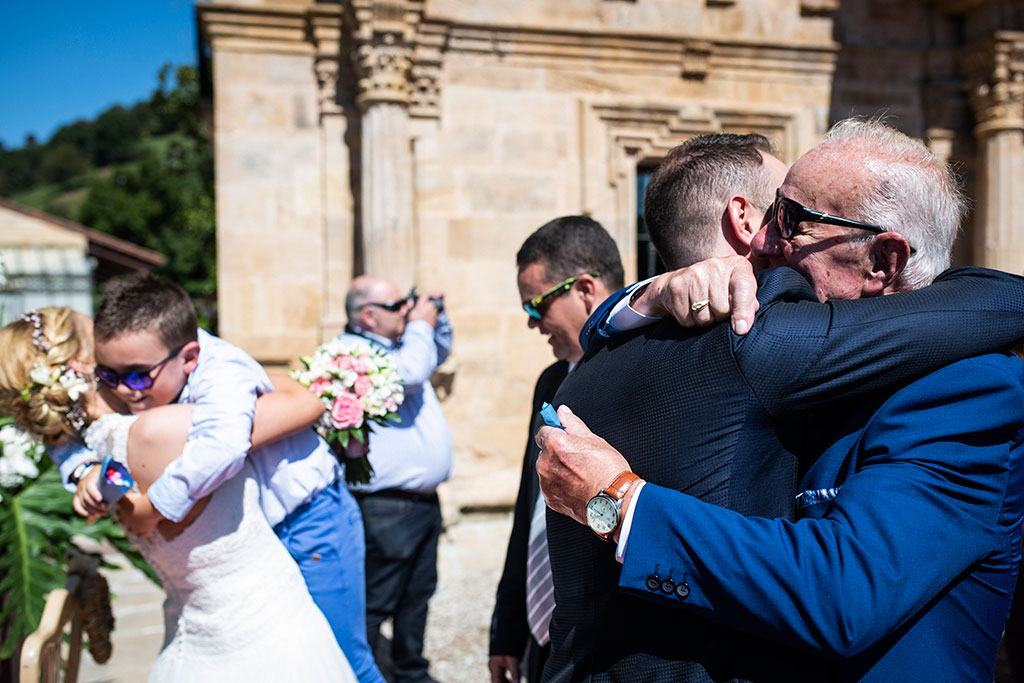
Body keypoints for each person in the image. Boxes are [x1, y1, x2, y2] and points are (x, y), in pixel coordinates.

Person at [534, 124, 1024, 682]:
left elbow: (844, 593)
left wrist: (622, 503)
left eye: (790, 220)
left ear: (883, 262)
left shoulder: (970, 390)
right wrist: (647, 296)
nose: (762, 243)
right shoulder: (776, 349)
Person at [54, 273, 384, 683]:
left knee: (343, 659)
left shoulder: (223, 373)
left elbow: (223, 447)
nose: (125, 390)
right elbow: (61, 422)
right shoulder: (144, 363)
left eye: (139, 376)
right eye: (109, 376)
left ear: (189, 357)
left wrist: (154, 508)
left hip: (307, 522)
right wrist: (80, 467)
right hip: (249, 537)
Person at [489, 216, 624, 683]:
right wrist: (506, 632)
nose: (531, 324)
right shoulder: (550, 380)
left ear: (585, 288)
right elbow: (527, 514)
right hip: (540, 637)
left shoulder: (641, 374)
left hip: (606, 645)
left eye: (537, 306)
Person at [340, 275, 453, 683]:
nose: (406, 309)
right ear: (368, 316)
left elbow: (436, 353)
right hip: (387, 504)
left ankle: (410, 672)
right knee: (377, 601)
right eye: (396, 305)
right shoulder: (350, 352)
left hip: (421, 502)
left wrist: (434, 317)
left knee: (416, 596)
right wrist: (420, 324)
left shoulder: (393, 345)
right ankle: (362, 674)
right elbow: (410, 372)